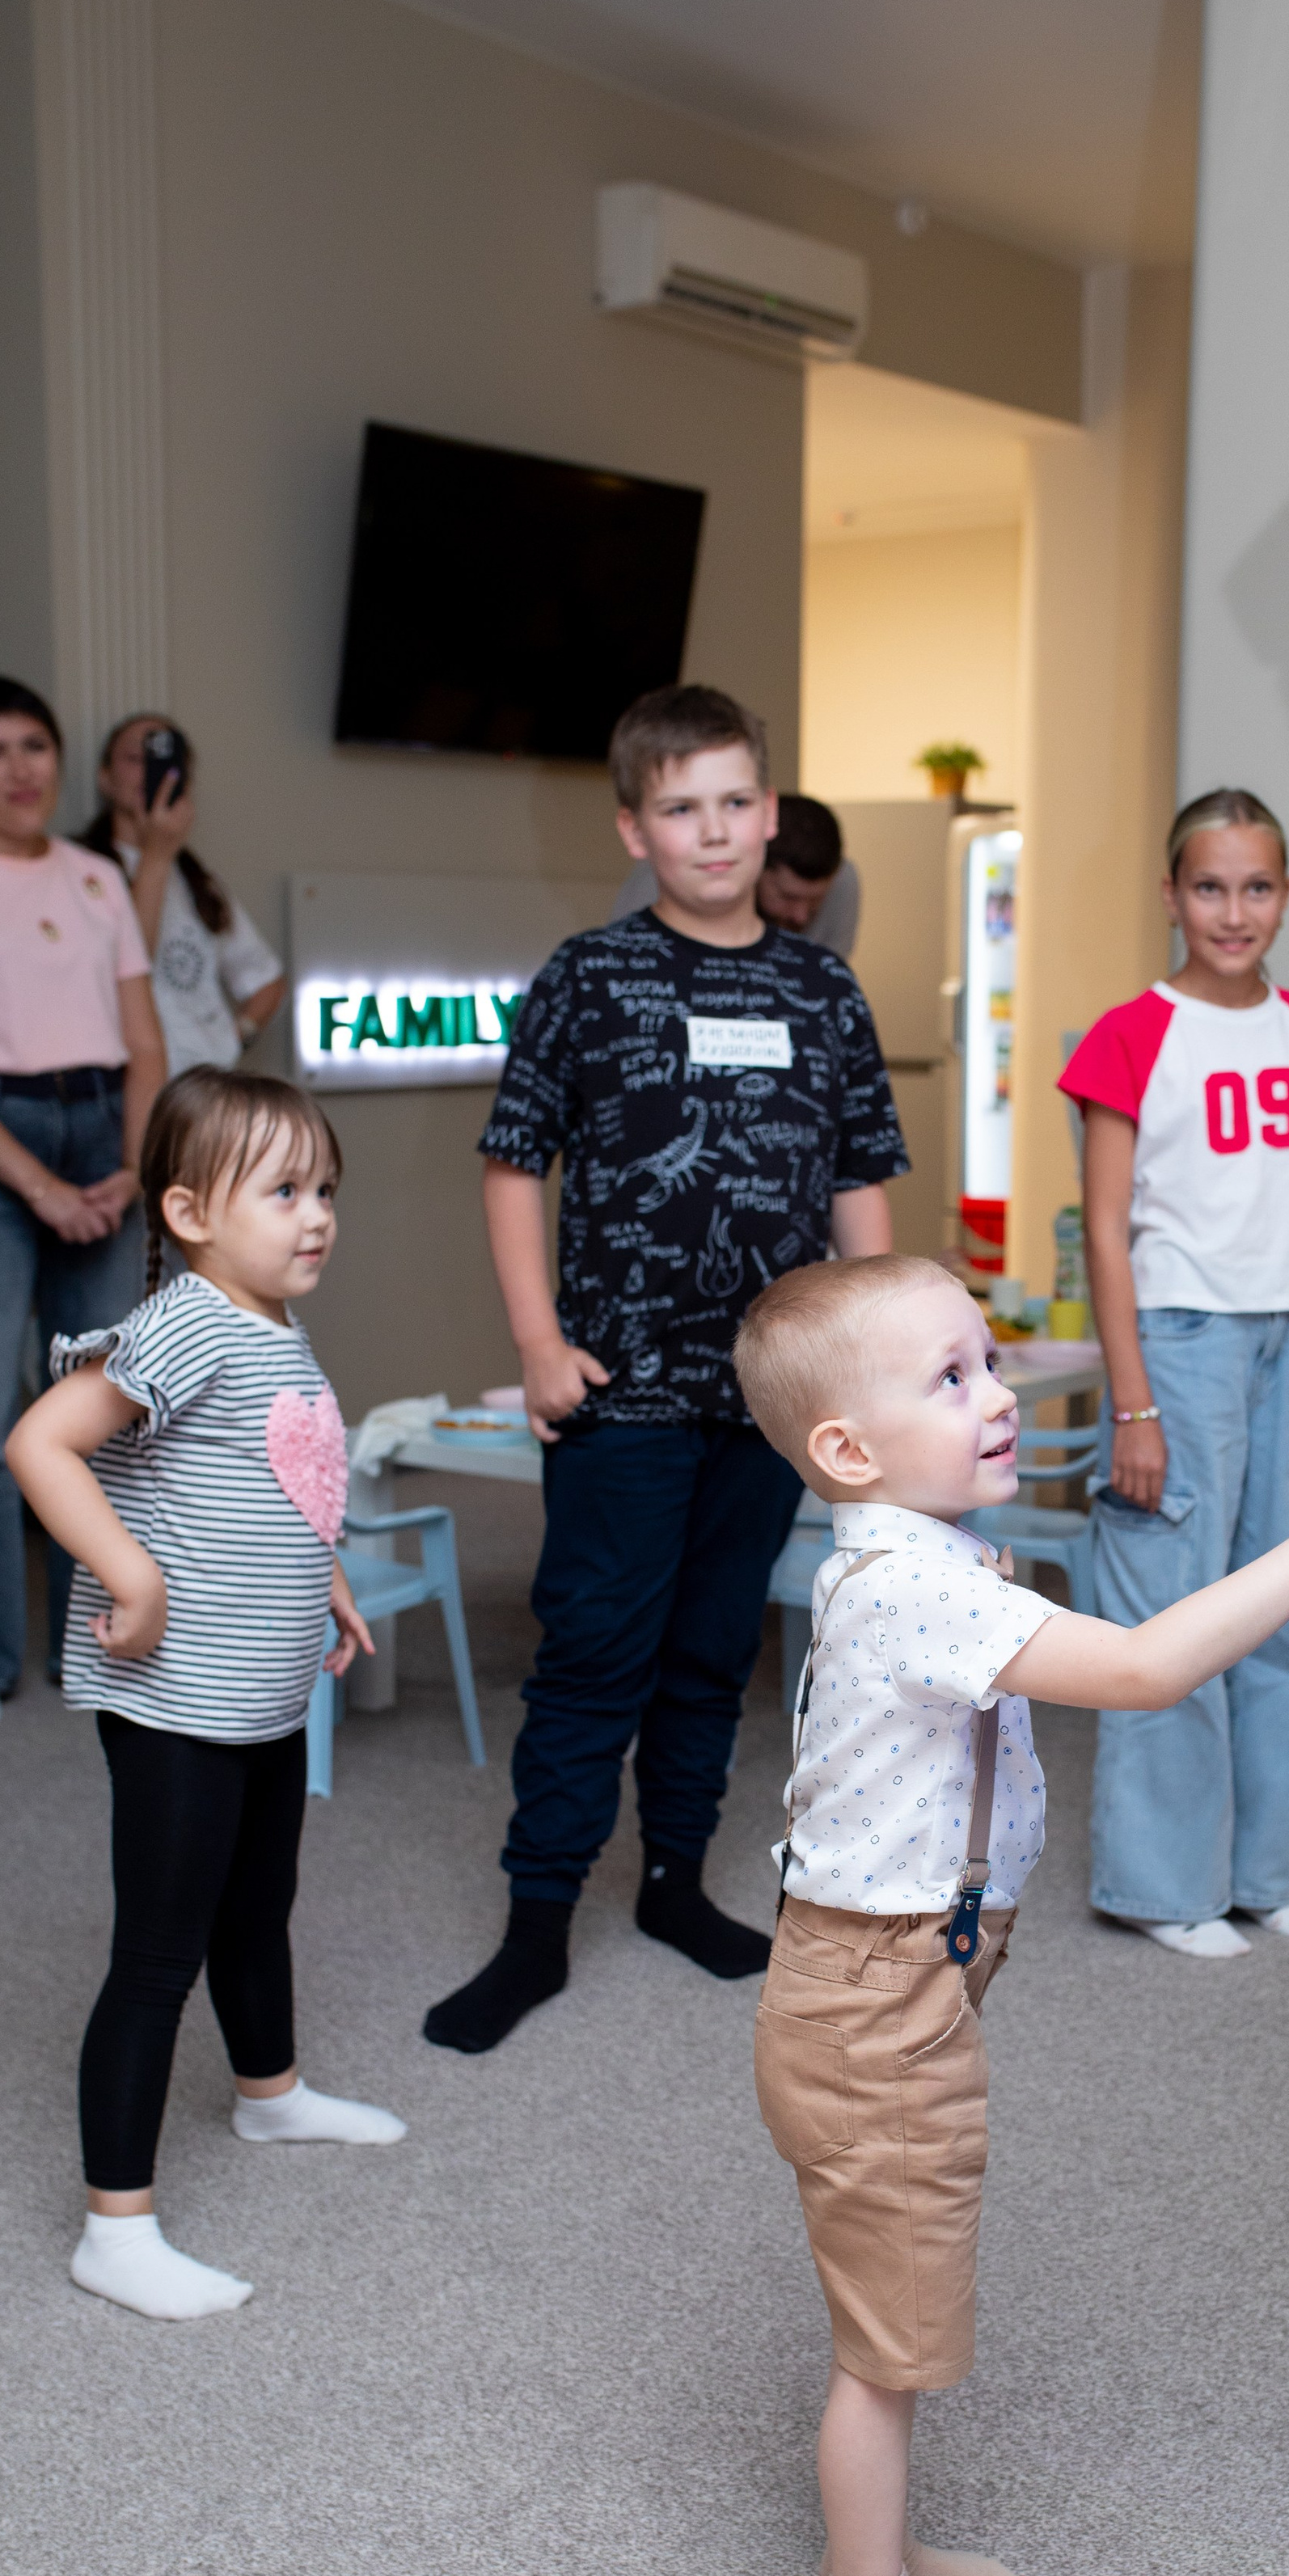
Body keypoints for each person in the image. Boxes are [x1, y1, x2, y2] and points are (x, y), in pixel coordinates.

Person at [734, 1252, 1289, 2576]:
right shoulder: (908, 1591)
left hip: (900, 1982)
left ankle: (890, 2551)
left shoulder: (919, 1562)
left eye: (988, 1363)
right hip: (873, 2009)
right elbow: (1141, 1669)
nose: (995, 1396)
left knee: (899, 2315)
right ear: (848, 1452)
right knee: (890, 2341)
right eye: (950, 1379)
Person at [424, 686, 907, 2058]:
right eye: (681, 807)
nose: (714, 831)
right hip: (618, 1390)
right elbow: (516, 1165)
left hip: (767, 1399)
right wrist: (536, 1342)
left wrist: (866, 1366)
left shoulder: (823, 985)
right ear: (636, 825)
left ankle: (677, 1888)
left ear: (770, 814)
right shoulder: (589, 976)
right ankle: (534, 1930)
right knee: (594, 1658)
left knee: (712, 1659)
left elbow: (862, 1182)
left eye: (736, 803)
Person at [5, 1067, 404, 2321]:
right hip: (176, 1699)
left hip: (263, 1689)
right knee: (158, 1953)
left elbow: (278, 1483)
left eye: (325, 1187)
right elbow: (41, 1441)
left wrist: (326, 1578)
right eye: (284, 1189)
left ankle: (270, 2094)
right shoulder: (187, 1322)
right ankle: (113, 2230)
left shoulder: (269, 1323)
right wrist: (126, 1568)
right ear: (185, 1211)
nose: (316, 1213)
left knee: (258, 1904)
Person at [1058, 789, 1289, 1960]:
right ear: (1170, 894)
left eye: (1255, 888)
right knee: (1175, 1617)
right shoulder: (1130, 1037)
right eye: (1208, 887)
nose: (1232, 911)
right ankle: (1164, 1886)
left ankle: (1255, 1871)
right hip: (1180, 1346)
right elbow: (1103, 1232)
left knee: (1283, 1613)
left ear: (1284, 898)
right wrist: (1131, 1400)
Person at [0, 675, 166, 1728]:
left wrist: (139, 1166)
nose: (20, 770)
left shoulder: (100, 878)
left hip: (106, 1131)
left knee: (103, 1414)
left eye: (35, 747)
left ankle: (95, 1639)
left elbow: (145, 1043)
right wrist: (39, 1184)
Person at [78, 713, 285, 1075]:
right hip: (124, 1087)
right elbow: (124, 966)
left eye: (164, 761)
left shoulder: (200, 882)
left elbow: (266, 979)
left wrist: (233, 1039)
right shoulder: (79, 871)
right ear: (105, 777)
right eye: (134, 759)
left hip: (206, 1084)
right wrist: (156, 855)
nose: (149, 771)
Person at [608, 788, 861, 958]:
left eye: (816, 902)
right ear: (755, 863)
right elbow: (622, 962)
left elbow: (825, 979)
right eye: (787, 897)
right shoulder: (661, 879)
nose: (801, 915)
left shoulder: (843, 882)